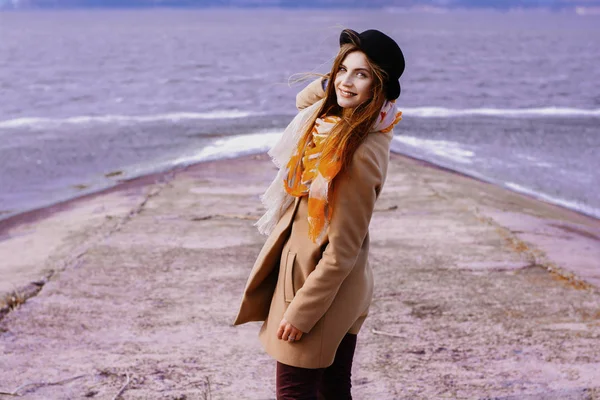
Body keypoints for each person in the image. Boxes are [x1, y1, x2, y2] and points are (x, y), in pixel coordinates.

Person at [234, 28, 405, 399]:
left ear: (380, 86)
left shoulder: (355, 153)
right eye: (342, 69)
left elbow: (342, 250)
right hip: (334, 287)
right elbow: (303, 100)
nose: (345, 81)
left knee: (295, 393)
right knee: (331, 391)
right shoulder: (336, 124)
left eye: (361, 74)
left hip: (317, 289)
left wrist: (301, 312)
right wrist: (337, 81)